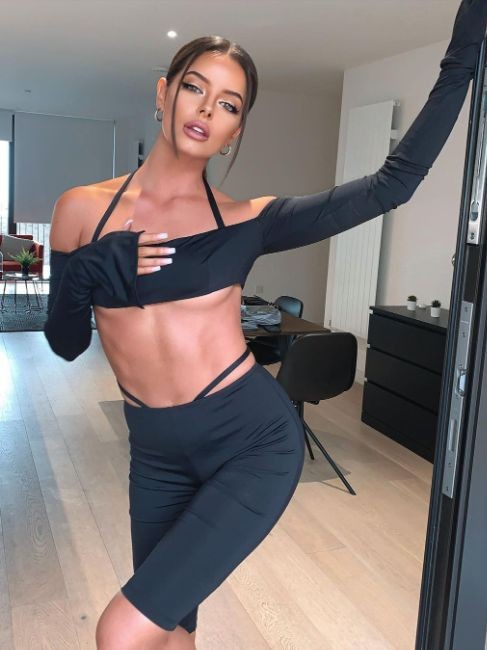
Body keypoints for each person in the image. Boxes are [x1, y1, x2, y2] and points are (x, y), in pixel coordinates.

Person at [44, 1, 487, 648]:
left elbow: (391, 185)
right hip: (154, 452)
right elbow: (64, 342)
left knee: (121, 630)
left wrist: (461, 57)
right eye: (195, 88)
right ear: (164, 93)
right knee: (168, 627)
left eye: (228, 104)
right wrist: (90, 267)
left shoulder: (248, 220)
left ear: (234, 130)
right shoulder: (81, 209)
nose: (206, 110)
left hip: (249, 440)